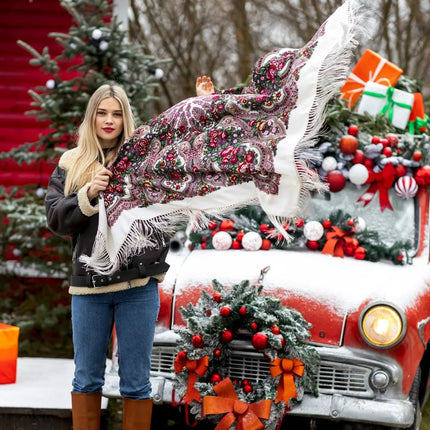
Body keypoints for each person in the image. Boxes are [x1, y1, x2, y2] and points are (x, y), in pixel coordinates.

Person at [45, 79, 215, 430]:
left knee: (136, 381)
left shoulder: (144, 157)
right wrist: (87, 195)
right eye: (102, 113)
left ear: (126, 119)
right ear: (92, 118)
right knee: (86, 378)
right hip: (89, 289)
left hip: (138, 286)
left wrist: (205, 107)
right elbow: (56, 219)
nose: (109, 120)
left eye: (117, 114)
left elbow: (185, 150)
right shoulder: (72, 163)